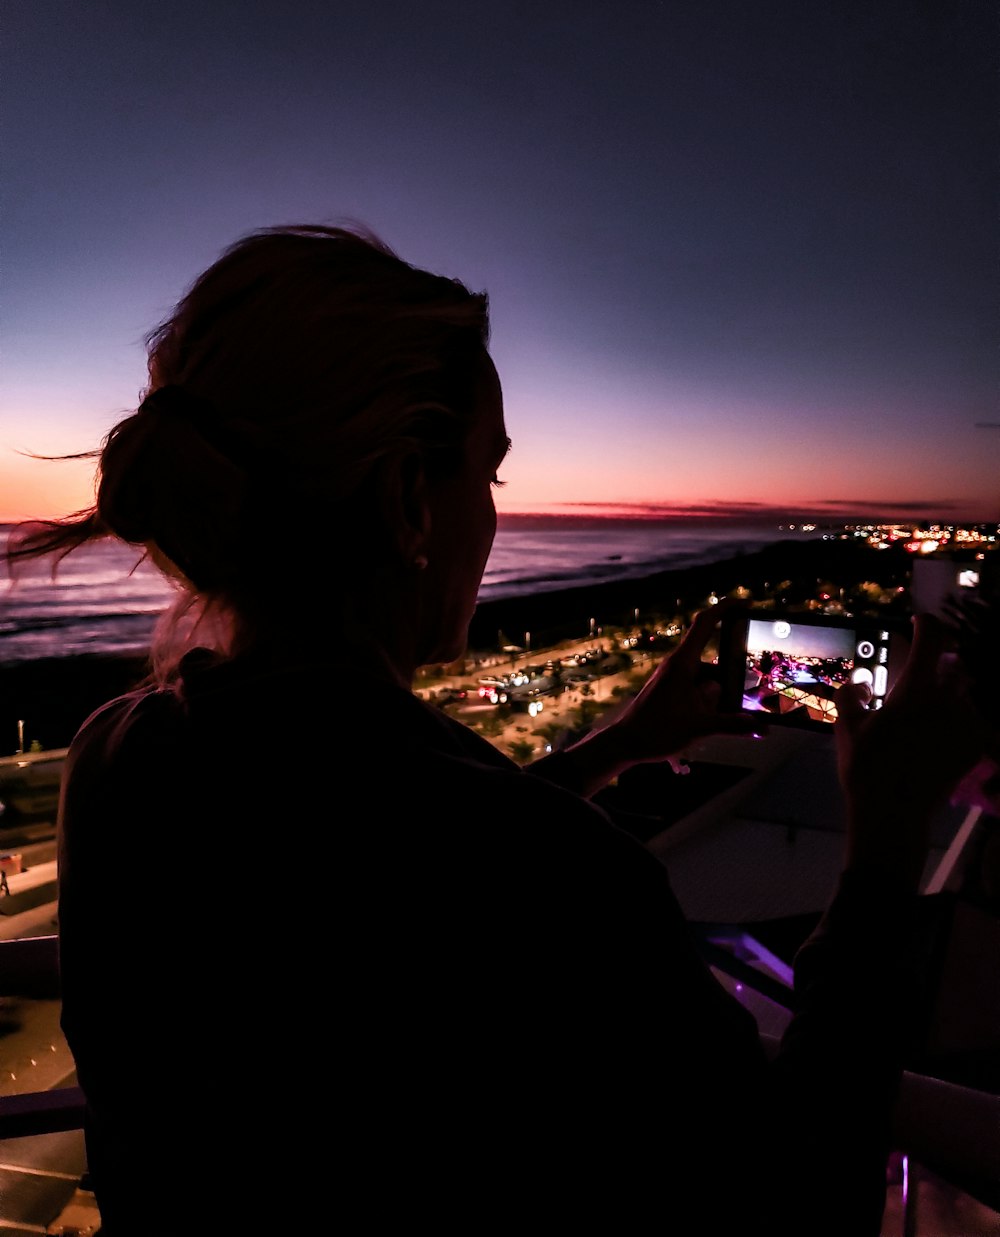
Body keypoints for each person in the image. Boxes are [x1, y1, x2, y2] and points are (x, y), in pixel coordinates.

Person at [4, 224, 988, 1235]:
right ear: (404, 503)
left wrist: (610, 748)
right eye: (487, 472)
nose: (489, 514)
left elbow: (372, 863)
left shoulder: (118, 755)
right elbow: (796, 1193)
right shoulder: (553, 872)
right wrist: (881, 845)